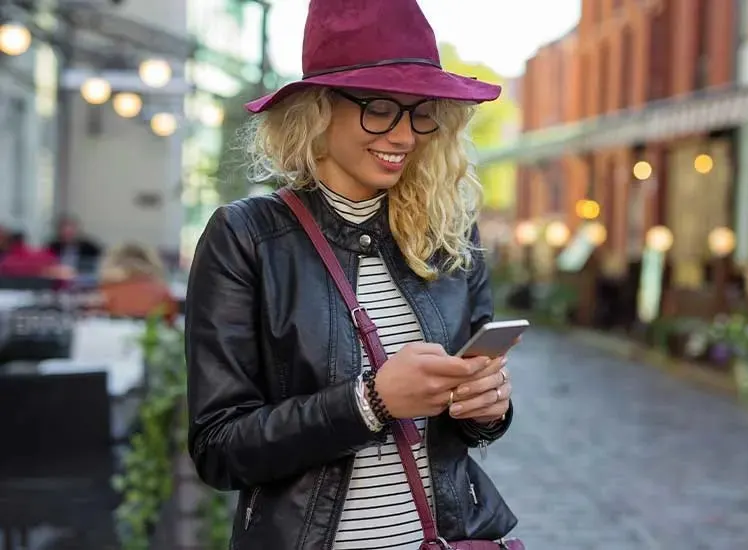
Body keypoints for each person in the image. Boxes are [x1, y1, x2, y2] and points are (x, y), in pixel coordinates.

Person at [185, 0, 520, 549]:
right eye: (380, 107)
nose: (405, 135)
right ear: (317, 109)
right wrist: (370, 402)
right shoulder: (247, 238)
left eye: (420, 112)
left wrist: (487, 407)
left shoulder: (448, 235)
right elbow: (219, 449)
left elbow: (464, 423)